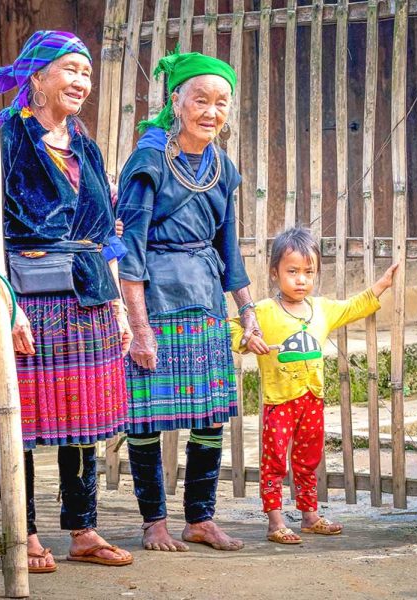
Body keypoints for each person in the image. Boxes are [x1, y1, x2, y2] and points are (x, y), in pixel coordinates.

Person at [0, 30, 133, 572]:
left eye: (86, 73)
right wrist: (6, 306)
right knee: (23, 420)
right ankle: (26, 530)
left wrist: (120, 307)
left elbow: (106, 233)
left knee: (84, 422)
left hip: (88, 295)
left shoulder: (86, 145)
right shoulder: (6, 138)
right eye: (70, 70)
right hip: (28, 296)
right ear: (36, 77)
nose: (82, 82)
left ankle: (83, 529)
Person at [117, 50, 261, 552]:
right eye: (200, 99)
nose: (211, 111)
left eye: (221, 102)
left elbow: (229, 249)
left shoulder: (223, 166)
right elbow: (128, 250)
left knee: (209, 417)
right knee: (145, 418)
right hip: (156, 302)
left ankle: (200, 518)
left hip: (204, 304)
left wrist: (247, 311)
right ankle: (153, 522)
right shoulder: (149, 160)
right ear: (176, 101)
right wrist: (139, 328)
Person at [230, 226, 397, 544]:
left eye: (309, 272)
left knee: (308, 460)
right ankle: (275, 520)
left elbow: (353, 306)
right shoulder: (264, 312)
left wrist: (382, 285)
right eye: (292, 271)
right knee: (275, 461)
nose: (301, 279)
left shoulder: (321, 309)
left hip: (312, 399)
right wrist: (248, 338)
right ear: (275, 273)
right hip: (279, 400)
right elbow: (230, 328)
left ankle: (309, 516)